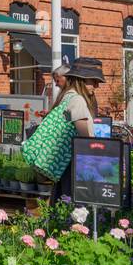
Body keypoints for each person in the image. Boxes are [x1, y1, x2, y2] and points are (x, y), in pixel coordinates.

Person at [47, 57, 104, 200]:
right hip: (74, 167)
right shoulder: (77, 100)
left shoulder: (68, 96)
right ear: (82, 80)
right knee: (73, 207)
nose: (97, 85)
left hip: (65, 164)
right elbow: (86, 140)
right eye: (94, 81)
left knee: (61, 204)